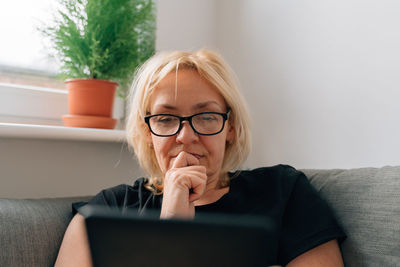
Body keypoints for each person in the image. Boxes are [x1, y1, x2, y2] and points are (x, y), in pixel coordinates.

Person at [55, 49, 346, 267]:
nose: (185, 136)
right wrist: (172, 226)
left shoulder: (284, 191)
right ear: (148, 131)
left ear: (230, 127)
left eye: (206, 116)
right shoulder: (107, 211)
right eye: (166, 118)